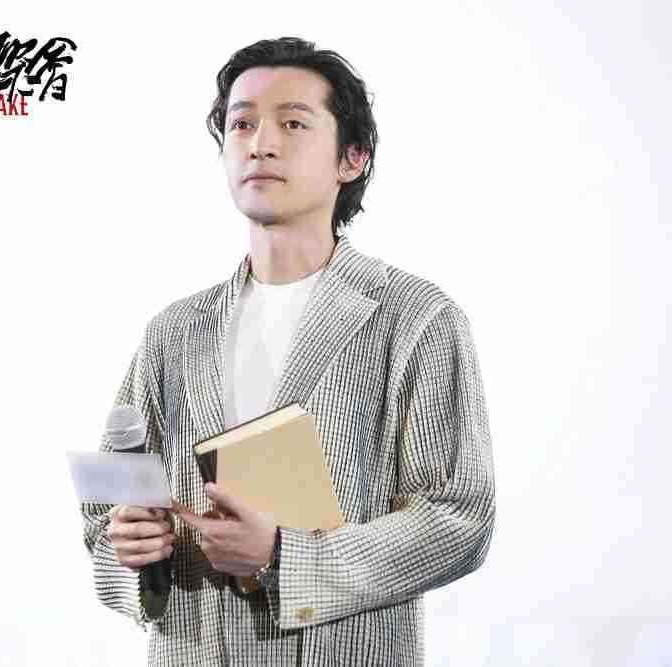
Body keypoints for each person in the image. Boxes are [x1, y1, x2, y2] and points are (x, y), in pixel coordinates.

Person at [80, 36, 495, 666]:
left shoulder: (416, 318)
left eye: (293, 123)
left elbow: (459, 518)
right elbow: (105, 512)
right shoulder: (173, 331)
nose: (260, 143)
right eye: (241, 123)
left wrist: (284, 556)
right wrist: (129, 545)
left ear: (352, 158)